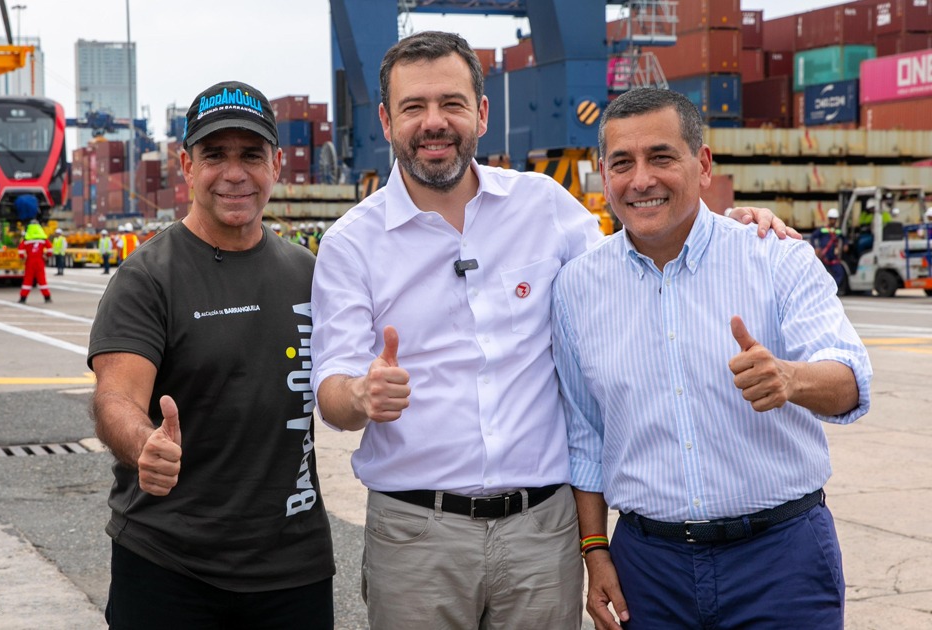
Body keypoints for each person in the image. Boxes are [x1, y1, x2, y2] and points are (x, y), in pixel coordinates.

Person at [310, 31, 795, 629]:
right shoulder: (349, 245)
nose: (434, 122)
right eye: (414, 107)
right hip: (416, 535)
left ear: (481, 113)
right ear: (386, 120)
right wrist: (360, 396)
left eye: (452, 103)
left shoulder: (545, 207)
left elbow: (637, 255)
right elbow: (331, 395)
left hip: (541, 534)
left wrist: (735, 225)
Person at [551, 87, 872, 630]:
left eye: (661, 157)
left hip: (781, 558)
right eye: (622, 163)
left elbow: (850, 381)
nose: (641, 180)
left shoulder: (773, 255)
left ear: (701, 164)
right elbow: (585, 435)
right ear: (603, 175)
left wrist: (789, 379)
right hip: (648, 569)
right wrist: (594, 550)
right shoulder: (577, 287)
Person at [88, 80, 334, 630]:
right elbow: (115, 398)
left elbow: (344, 389)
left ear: (276, 164)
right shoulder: (146, 277)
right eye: (214, 155)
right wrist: (142, 444)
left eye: (250, 155)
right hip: (170, 568)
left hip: (294, 569)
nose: (234, 173)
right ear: (186, 166)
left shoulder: (310, 274)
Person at [17, 220, 52, 304]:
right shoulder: (43, 239)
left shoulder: (26, 240)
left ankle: (23, 298)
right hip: (39, 261)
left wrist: (23, 257)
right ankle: (47, 297)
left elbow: (20, 250)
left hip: (30, 261)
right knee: (42, 280)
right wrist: (47, 256)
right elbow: (50, 249)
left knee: (27, 280)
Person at [812, 207, 845, 289]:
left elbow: (844, 238)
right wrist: (816, 247)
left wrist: (845, 244)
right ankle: (822, 290)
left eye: (835, 219)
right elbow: (813, 237)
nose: (833, 221)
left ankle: (833, 289)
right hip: (824, 257)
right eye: (831, 219)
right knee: (821, 274)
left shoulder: (838, 231)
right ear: (829, 219)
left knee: (840, 273)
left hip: (834, 257)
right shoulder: (822, 229)